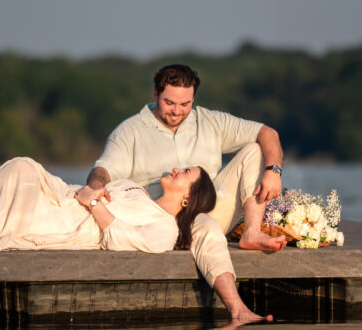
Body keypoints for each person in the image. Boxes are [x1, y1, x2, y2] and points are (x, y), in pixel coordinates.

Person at [0, 157, 269, 322]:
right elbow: (88, 190)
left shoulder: (164, 228)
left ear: (187, 197)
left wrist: (93, 204)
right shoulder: (135, 191)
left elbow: (115, 236)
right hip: (67, 201)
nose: (176, 169)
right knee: (21, 168)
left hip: (74, 226)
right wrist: (84, 194)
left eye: (185, 174)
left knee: (0, 220)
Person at [81, 64, 288, 255]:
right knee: (205, 231)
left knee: (256, 149)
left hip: (213, 212)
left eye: (185, 104)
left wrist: (273, 171)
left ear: (193, 99)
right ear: (156, 94)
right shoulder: (129, 131)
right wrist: (94, 188)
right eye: (169, 102)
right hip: (161, 223)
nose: (177, 111)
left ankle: (251, 232)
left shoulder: (211, 121)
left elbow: (268, 133)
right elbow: (103, 169)